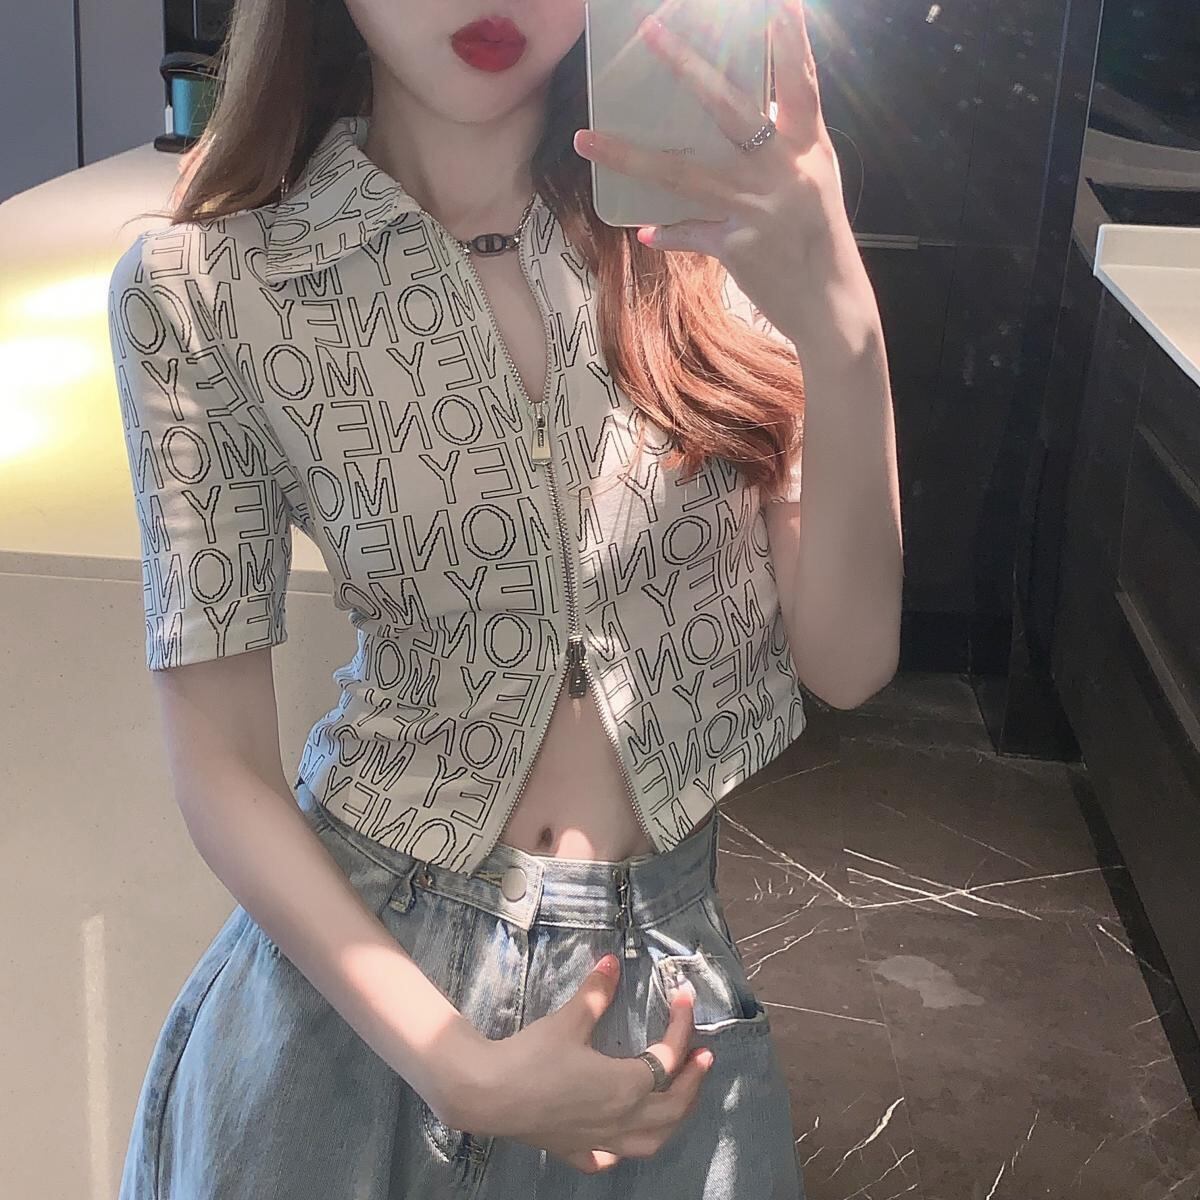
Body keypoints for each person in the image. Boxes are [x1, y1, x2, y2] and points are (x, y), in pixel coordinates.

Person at [105, 1, 902, 1196]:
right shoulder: (209, 285)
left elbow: (849, 658)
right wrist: (456, 1067)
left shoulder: (709, 239)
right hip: (362, 1017)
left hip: (658, 1004)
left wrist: (845, 327)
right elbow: (221, 768)